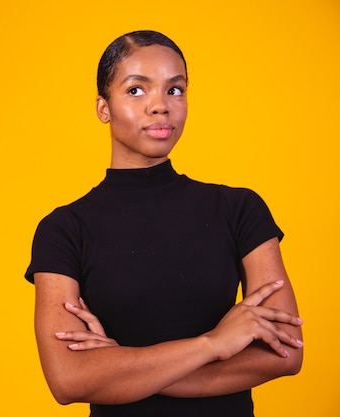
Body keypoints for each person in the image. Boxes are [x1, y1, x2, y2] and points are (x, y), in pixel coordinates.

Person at [24, 30, 303, 417]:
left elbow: (285, 352)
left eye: (175, 90)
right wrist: (213, 344)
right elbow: (69, 380)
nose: (160, 106)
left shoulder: (239, 209)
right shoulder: (64, 230)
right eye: (137, 90)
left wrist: (121, 367)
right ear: (103, 108)